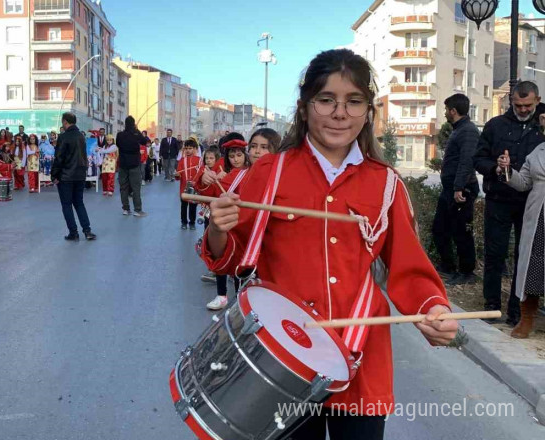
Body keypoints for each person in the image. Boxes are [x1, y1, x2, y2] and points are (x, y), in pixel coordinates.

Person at [203, 49, 457, 438]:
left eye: (354, 102)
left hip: (360, 362)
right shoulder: (271, 173)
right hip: (284, 358)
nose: (340, 113)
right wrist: (219, 229)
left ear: (368, 112)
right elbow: (233, 259)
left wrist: (433, 308)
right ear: (305, 108)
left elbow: (409, 266)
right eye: (326, 100)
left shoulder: (386, 183)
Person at [473, 80, 545, 325]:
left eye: (527, 105)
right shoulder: (495, 125)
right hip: (499, 199)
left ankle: (517, 312)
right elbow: (478, 158)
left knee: (524, 257)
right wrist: (495, 168)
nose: (523, 110)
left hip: (531, 203)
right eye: (518, 105)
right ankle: (491, 306)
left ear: (537, 100)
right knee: (495, 254)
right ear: (510, 101)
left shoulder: (542, 126)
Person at [197, 136, 251, 309]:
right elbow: (207, 192)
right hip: (225, 225)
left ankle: (239, 300)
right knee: (221, 258)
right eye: (232, 156)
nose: (236, 159)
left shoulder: (253, 173)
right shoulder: (224, 176)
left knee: (240, 264)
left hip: (243, 225)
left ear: (245, 155)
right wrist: (205, 178)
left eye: (239, 155)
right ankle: (222, 295)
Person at [434, 93, 481, 286]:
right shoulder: (459, 129)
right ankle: (448, 266)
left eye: (446, 109)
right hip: (451, 189)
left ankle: (467, 272)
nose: (445, 113)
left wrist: (459, 187)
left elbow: (467, 161)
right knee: (440, 228)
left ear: (453, 111)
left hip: (462, 190)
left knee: (461, 231)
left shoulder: (468, 131)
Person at [502, 145, 545, 338]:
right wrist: (508, 169)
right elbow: (524, 182)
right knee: (532, 269)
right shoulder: (539, 151)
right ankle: (526, 318)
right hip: (537, 218)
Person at [52, 112, 97, 240]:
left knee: (67, 205)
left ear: (65, 122)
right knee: (79, 203)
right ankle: (87, 230)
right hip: (80, 175)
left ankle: (73, 232)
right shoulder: (82, 136)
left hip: (66, 176)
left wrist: (54, 174)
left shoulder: (63, 137)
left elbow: (59, 158)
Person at [196, 145, 225, 284]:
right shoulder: (204, 171)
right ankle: (213, 269)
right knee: (209, 239)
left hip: (219, 212)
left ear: (217, 159)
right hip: (208, 212)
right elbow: (200, 188)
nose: (208, 160)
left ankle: (217, 270)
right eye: (206, 158)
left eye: (211, 158)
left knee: (218, 243)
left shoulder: (222, 171)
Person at [116, 116, 148, 217]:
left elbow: (118, 145)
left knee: (123, 187)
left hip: (123, 164)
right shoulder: (136, 134)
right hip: (134, 164)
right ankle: (137, 210)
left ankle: (125, 209)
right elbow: (144, 141)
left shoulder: (120, 135)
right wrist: (137, 130)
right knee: (136, 188)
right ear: (133, 124)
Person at [176, 139, 202, 230]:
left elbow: (201, 174)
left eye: (190, 148)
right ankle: (183, 222)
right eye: (186, 148)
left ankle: (192, 223)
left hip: (194, 188)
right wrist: (177, 175)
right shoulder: (182, 161)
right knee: (183, 206)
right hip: (183, 188)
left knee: (193, 206)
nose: (188, 150)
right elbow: (178, 175)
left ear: (195, 149)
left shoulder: (199, 161)